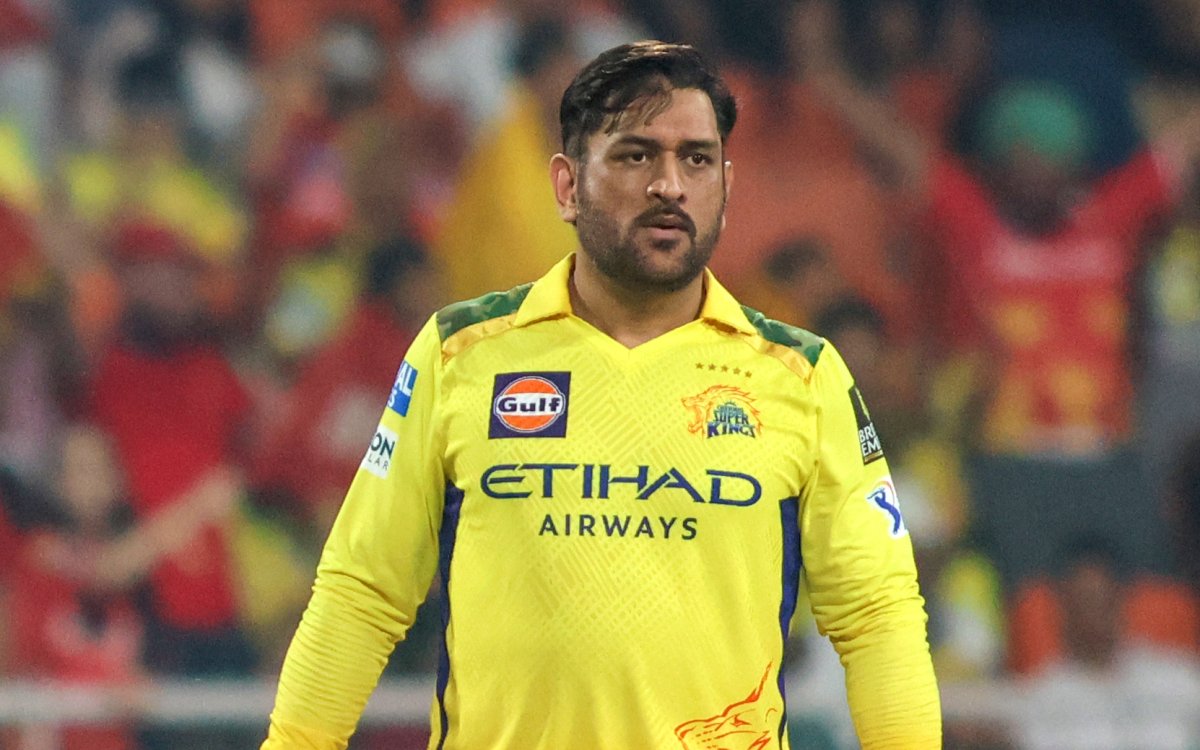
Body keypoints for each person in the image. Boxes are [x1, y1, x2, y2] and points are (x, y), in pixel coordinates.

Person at [262, 41, 941, 749]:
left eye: (696, 159)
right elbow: (362, 591)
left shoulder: (802, 375)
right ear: (567, 186)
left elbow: (876, 614)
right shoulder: (460, 353)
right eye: (635, 156)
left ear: (725, 188)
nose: (670, 185)